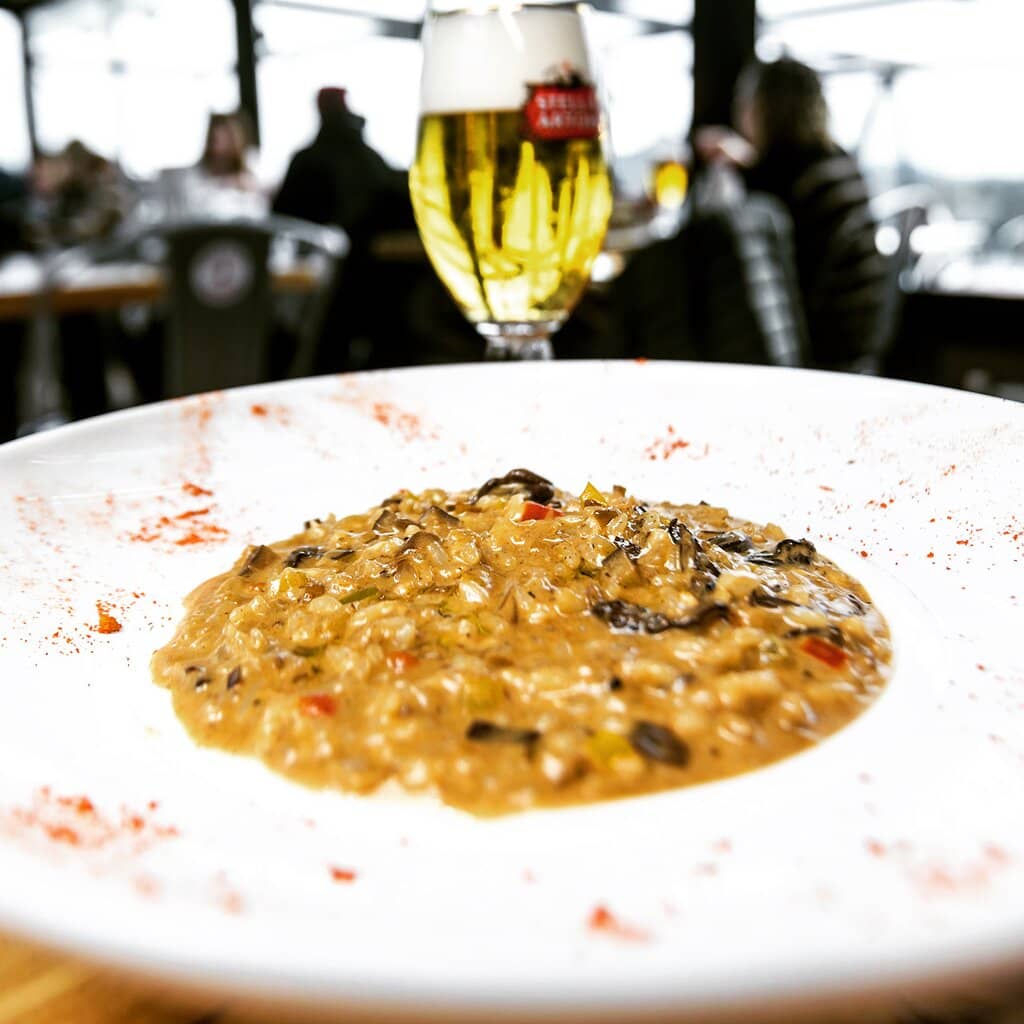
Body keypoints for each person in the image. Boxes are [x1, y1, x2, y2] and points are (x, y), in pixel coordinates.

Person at [697, 58, 889, 372]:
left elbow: (765, 226)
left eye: (746, 102)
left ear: (762, 110)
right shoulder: (834, 160)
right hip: (862, 338)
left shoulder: (785, 180)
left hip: (819, 349)